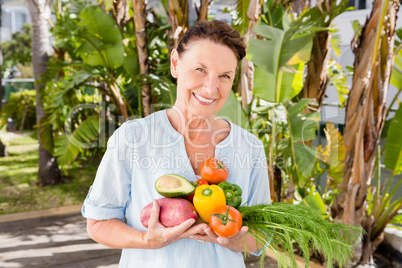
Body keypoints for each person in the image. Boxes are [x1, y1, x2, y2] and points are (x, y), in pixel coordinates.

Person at [82, 20, 271, 268]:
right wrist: (146, 239)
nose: (211, 87)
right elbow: (98, 224)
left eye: (224, 76)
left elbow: (261, 235)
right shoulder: (133, 138)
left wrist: (233, 241)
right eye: (200, 70)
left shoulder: (250, 147)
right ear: (175, 64)